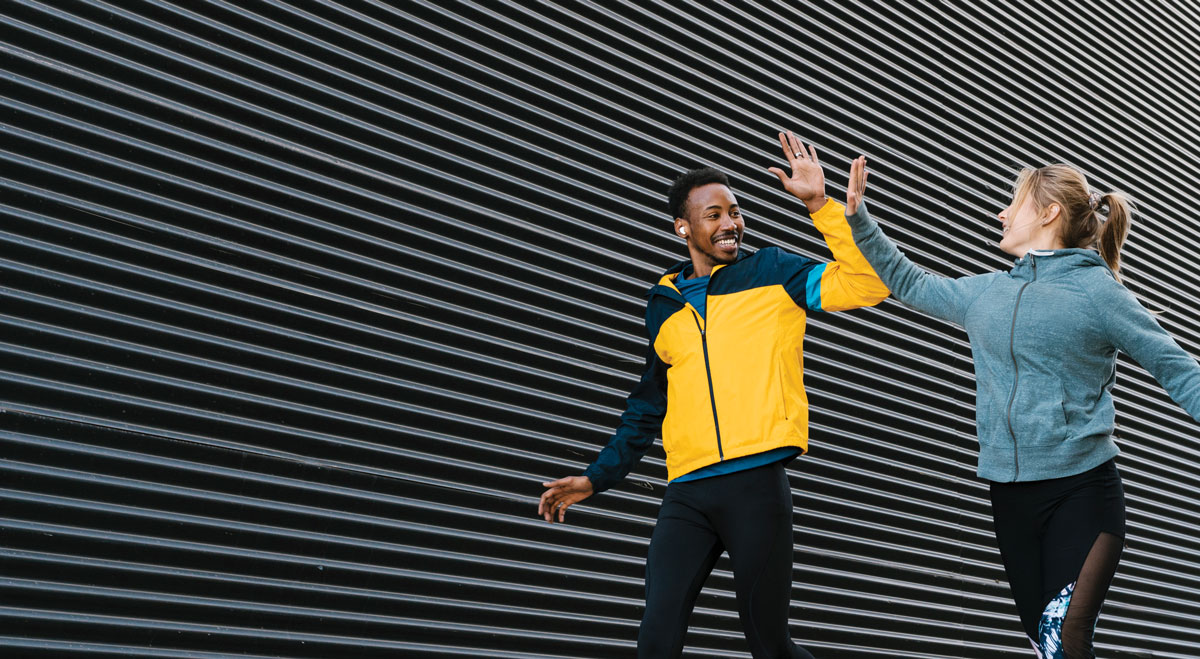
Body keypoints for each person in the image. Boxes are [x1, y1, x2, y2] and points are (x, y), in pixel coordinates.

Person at [537, 132, 889, 658]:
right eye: (713, 215)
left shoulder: (773, 272)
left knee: (769, 642)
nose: (730, 224)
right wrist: (598, 477)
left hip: (755, 487)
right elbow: (647, 403)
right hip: (688, 493)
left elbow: (868, 285)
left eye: (735, 211)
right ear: (683, 227)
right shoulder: (665, 301)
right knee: (656, 639)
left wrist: (820, 205)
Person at [839, 156, 1200, 658]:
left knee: (1063, 639)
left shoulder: (1097, 292)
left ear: (1049, 213)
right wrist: (856, 217)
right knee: (1042, 644)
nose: (1002, 215)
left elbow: (1177, 367)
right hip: (1009, 498)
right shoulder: (988, 292)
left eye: (1013, 203)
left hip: (1082, 492)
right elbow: (910, 282)